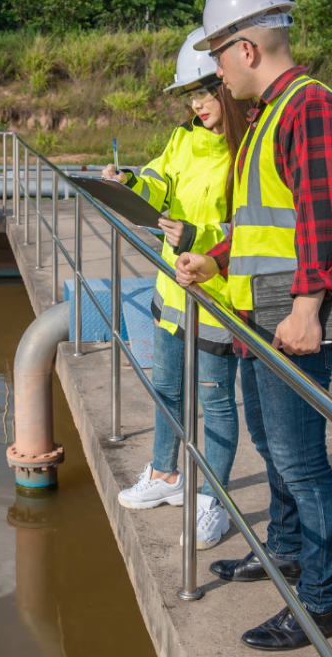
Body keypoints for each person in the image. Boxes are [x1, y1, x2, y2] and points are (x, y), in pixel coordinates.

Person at [175, 0, 332, 651]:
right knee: (273, 445)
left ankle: (319, 602)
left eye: (217, 54)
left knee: (300, 461)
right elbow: (273, 219)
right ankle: (284, 555)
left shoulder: (309, 109)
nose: (215, 71)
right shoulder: (274, 114)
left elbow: (323, 217)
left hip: (290, 321)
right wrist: (220, 258)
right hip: (259, 314)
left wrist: (308, 306)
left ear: (247, 48)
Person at [103, 27, 252, 551]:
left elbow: (248, 233)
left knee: (216, 404)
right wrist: (128, 183)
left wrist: (196, 236)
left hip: (216, 298)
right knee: (167, 388)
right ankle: (166, 478)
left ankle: (215, 500)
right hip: (172, 290)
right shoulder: (183, 138)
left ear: (229, 87)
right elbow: (159, 180)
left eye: (206, 93)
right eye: (191, 95)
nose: (198, 105)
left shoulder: (247, 150)